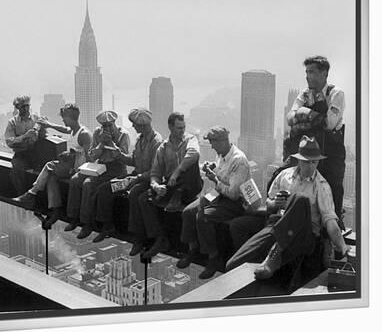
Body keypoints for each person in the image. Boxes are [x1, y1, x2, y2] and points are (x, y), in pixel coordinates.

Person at [226, 136, 349, 281]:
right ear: (299, 160)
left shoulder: (321, 186)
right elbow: (269, 204)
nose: (310, 166)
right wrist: (275, 204)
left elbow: (330, 221)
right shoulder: (284, 176)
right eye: (306, 162)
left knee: (300, 200)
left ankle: (274, 257)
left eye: (314, 162)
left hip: (303, 234)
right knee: (232, 264)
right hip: (277, 226)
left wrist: (343, 246)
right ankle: (266, 262)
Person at [178, 126, 251, 279]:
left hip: (234, 202)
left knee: (203, 216)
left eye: (213, 142)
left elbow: (233, 194)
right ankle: (192, 249)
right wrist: (212, 169)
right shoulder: (221, 155)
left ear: (223, 141)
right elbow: (222, 175)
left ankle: (213, 257)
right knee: (188, 212)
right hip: (218, 194)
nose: (211, 146)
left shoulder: (239, 160)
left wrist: (214, 179)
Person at [129, 112, 202, 259]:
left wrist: (176, 172)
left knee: (190, 165)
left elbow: (193, 153)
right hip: (172, 185)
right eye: (178, 128)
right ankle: (159, 238)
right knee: (144, 198)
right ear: (170, 127)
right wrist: (156, 186)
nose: (182, 131)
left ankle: (178, 195)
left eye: (183, 127)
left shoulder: (190, 139)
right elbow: (155, 173)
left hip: (189, 183)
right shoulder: (163, 147)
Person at [286, 56, 346, 227]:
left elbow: (329, 123)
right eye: (306, 72)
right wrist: (311, 116)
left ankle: (333, 231)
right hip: (309, 150)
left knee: (333, 188)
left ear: (324, 73)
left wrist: (304, 113)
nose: (307, 76)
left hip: (331, 151)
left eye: (311, 72)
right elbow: (290, 118)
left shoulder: (335, 94)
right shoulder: (305, 94)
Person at [89, 108, 163, 243]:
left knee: (135, 195)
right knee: (106, 188)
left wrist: (138, 178)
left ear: (142, 125)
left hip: (146, 181)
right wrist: (116, 152)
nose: (133, 126)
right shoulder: (141, 139)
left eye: (134, 124)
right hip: (135, 177)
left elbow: (155, 170)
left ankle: (139, 236)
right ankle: (107, 225)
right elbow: (133, 160)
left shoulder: (156, 142)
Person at [12, 103, 92, 228]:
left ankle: (31, 193)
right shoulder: (74, 129)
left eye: (64, 117)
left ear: (70, 118)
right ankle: (55, 211)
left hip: (77, 169)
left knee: (50, 166)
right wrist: (49, 125)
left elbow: (90, 158)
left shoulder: (84, 134)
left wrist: (72, 155)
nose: (63, 120)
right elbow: (64, 129)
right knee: (52, 177)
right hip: (71, 165)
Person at [65, 110, 131, 238]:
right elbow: (91, 157)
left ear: (114, 123)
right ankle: (73, 216)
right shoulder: (97, 133)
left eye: (109, 125)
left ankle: (87, 222)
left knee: (88, 184)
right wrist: (101, 144)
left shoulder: (123, 135)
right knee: (75, 180)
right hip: (99, 166)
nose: (106, 128)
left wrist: (111, 144)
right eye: (103, 126)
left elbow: (124, 158)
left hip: (116, 168)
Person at [4, 95, 40, 195]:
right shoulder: (12, 122)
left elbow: (42, 131)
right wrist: (24, 137)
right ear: (17, 108)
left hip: (36, 154)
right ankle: (23, 196)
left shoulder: (35, 119)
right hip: (21, 155)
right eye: (23, 106)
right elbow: (9, 142)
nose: (26, 108)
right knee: (17, 173)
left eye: (27, 106)